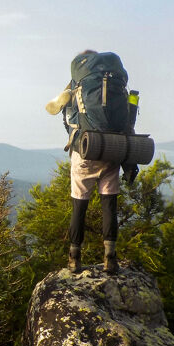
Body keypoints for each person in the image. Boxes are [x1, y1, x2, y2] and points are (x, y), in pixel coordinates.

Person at [54, 50, 131, 274]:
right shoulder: (114, 79)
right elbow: (128, 117)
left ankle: (74, 259)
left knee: (79, 206)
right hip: (112, 149)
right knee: (110, 205)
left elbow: (65, 116)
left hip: (85, 151)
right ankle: (110, 258)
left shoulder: (76, 85)